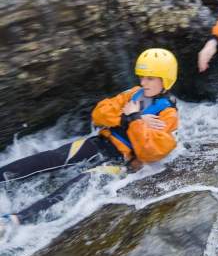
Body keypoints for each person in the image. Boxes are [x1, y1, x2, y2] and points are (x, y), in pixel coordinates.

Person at [0, 48, 179, 238]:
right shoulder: (134, 93)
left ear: (165, 79)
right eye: (142, 77)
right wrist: (126, 119)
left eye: (150, 78)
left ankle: (15, 220)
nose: (143, 82)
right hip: (100, 142)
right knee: (52, 157)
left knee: (76, 185)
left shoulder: (169, 115)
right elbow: (99, 113)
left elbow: (149, 152)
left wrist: (134, 118)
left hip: (120, 162)